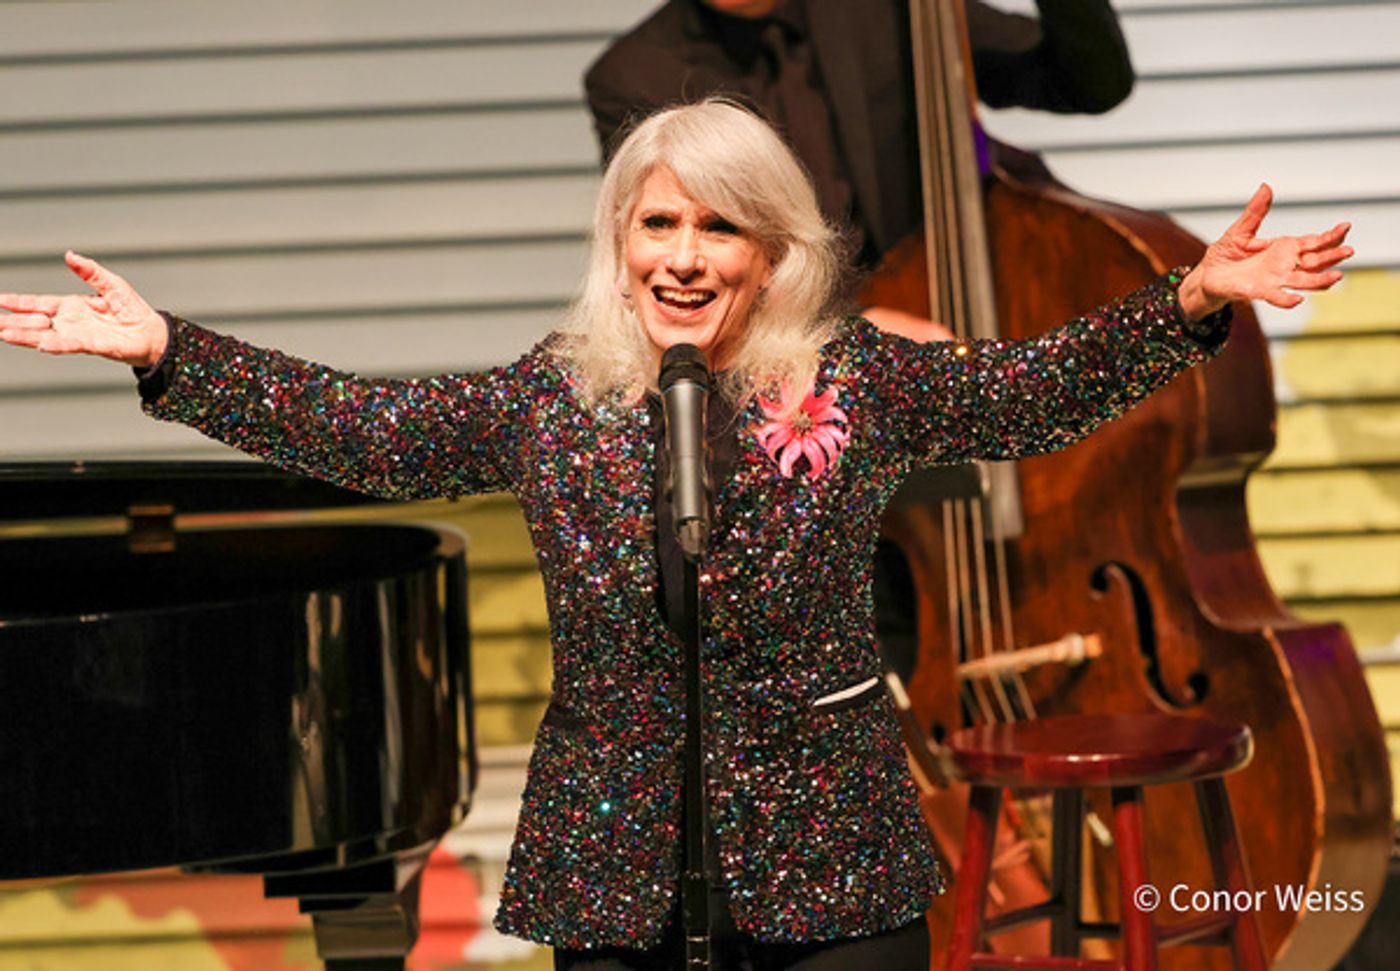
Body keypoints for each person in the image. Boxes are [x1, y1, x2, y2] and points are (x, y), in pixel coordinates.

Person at [0, 101, 1350, 970]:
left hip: (830, 856)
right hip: (617, 861)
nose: (685, 255)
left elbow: (1019, 392)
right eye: (659, 222)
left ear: (773, 253)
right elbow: (370, 430)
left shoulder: (854, 379)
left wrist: (1185, 302)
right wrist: (172, 351)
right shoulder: (553, 396)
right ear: (621, 239)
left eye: (721, 226)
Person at [586, 0, 1134, 269]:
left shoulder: (884, 6)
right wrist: (863, 333)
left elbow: (1088, 84)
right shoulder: (633, 78)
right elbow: (685, 265)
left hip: (955, 313)